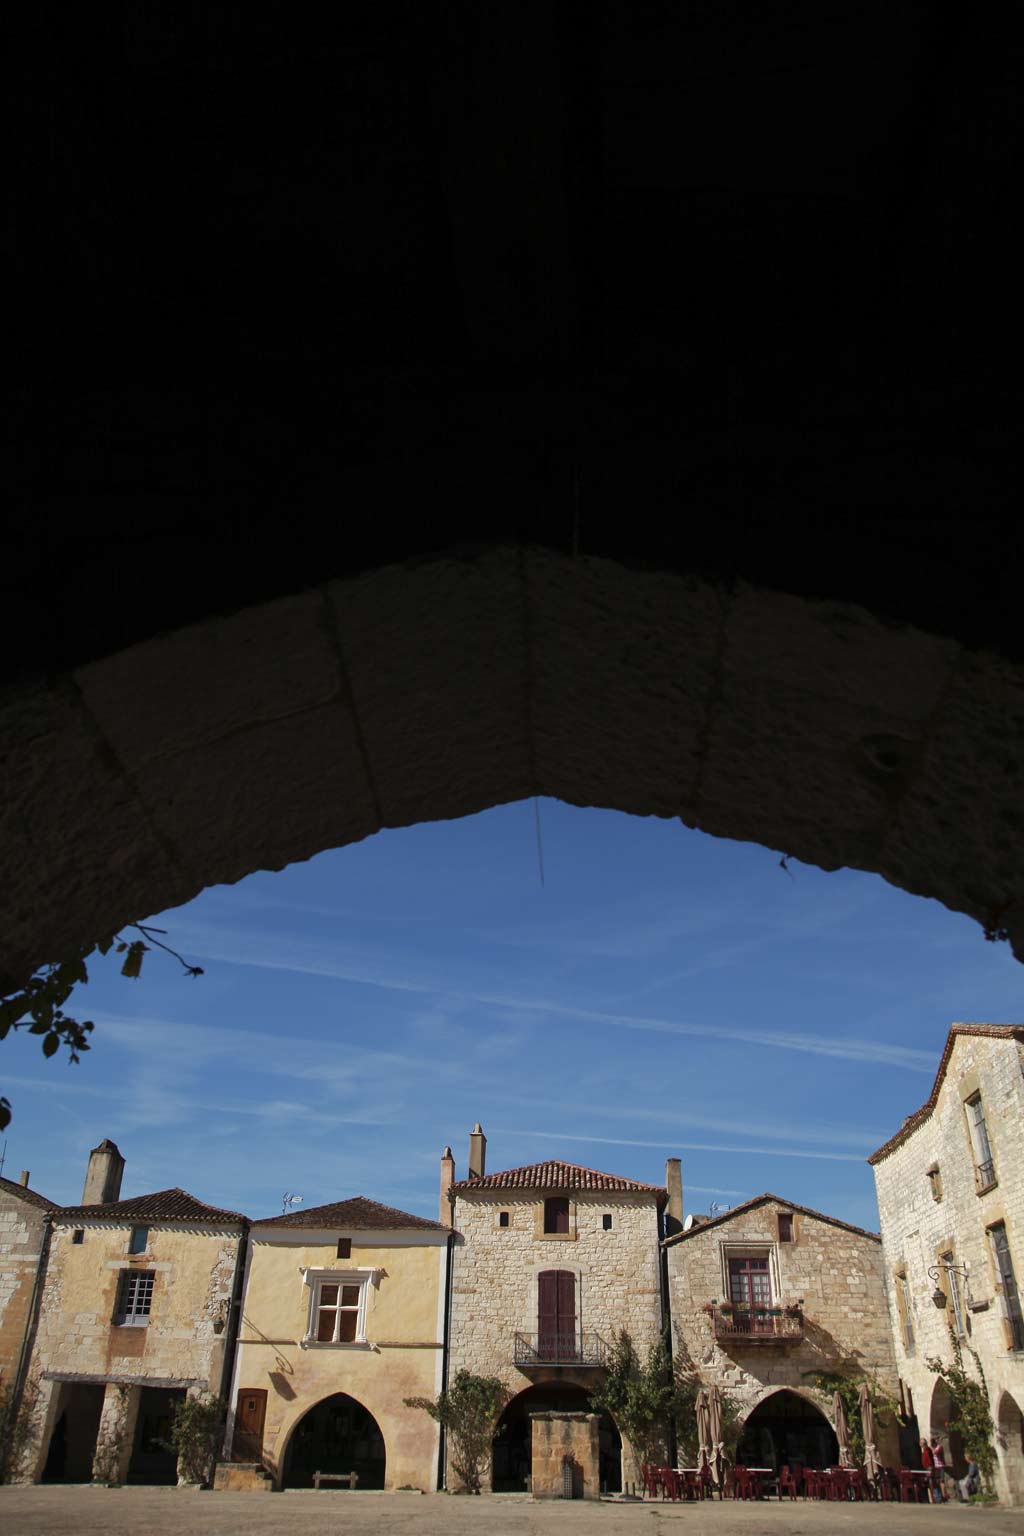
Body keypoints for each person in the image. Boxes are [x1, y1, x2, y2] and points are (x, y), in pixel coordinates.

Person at [929, 1438, 947, 1502]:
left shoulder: (939, 1447)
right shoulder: (934, 1448)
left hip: (941, 1466)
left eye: (932, 1442)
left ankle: (944, 1495)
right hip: (936, 1467)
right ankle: (940, 1496)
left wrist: (932, 1448)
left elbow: (935, 1453)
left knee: (942, 1481)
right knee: (936, 1481)